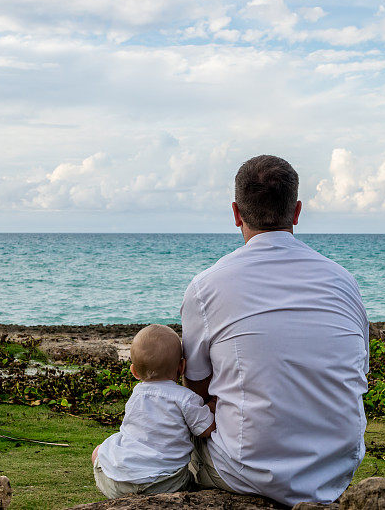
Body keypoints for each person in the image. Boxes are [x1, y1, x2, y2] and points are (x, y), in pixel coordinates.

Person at [182, 155, 370, 506]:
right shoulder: (343, 281)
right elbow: (358, 371)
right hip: (336, 465)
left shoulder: (206, 286)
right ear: (296, 212)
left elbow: (196, 387)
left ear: (236, 213)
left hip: (244, 469)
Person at [92, 324, 216, 498]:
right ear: (182, 367)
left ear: (134, 371)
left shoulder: (136, 394)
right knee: (190, 476)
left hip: (120, 484)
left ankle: (119, 491)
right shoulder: (185, 398)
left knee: (98, 451)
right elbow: (206, 429)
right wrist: (212, 405)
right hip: (165, 484)